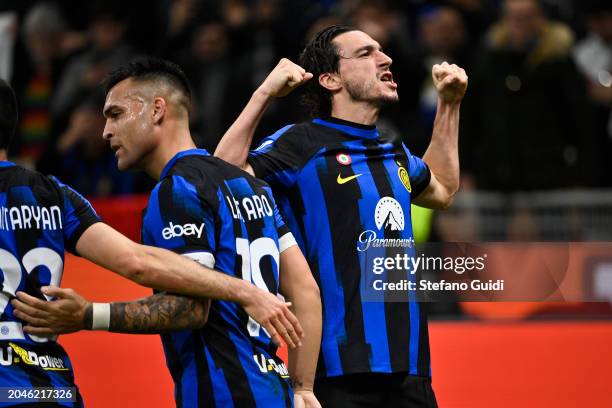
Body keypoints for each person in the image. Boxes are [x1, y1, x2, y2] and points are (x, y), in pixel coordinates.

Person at [13, 58, 322, 408]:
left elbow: (190, 310)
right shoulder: (253, 187)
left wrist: (88, 314)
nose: (105, 131)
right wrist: (303, 388)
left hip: (220, 393)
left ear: (157, 110)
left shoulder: (177, 190)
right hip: (274, 388)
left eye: (115, 114)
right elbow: (305, 290)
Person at [214, 25, 468, 407]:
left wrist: (449, 104)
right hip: (335, 374)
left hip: (411, 371)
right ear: (330, 79)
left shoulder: (391, 150)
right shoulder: (300, 143)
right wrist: (264, 93)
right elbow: (221, 178)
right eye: (365, 54)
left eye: (381, 50)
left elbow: (443, 189)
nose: (385, 59)